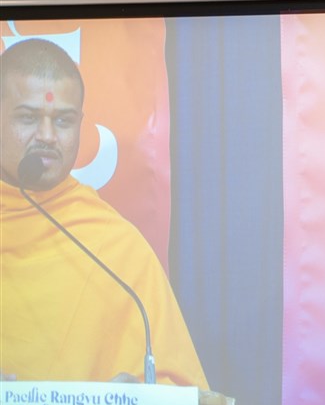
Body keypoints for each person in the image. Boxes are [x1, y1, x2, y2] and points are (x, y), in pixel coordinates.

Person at [0, 38, 208, 387]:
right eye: (28, 117)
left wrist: (137, 400)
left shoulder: (115, 247)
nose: (47, 136)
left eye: (63, 121)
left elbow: (181, 393)